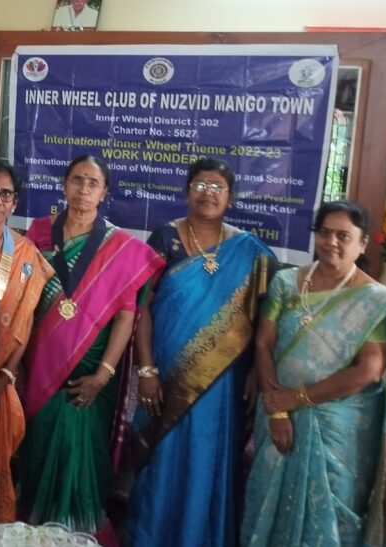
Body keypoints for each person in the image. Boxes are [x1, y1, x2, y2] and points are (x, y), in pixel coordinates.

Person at [242, 200, 386, 546]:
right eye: (324, 232)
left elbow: (369, 372)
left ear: (363, 244)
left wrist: (297, 398)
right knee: (268, 499)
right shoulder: (286, 282)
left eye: (343, 236)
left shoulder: (376, 302)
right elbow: (263, 343)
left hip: (340, 429)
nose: (331, 241)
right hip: (277, 413)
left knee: (334, 509)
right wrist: (277, 409)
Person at [128, 157, 275, 547]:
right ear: (187, 191)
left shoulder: (250, 252)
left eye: (218, 187)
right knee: (163, 456)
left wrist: (256, 372)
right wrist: (147, 370)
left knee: (209, 458)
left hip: (223, 381)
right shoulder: (165, 238)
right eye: (201, 185)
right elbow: (142, 308)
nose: (209, 193)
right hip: (165, 375)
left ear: (230, 198)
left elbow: (267, 319)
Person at [18, 155, 163, 542]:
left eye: (93, 183)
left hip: (94, 366)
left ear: (104, 193)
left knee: (83, 452)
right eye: (77, 180)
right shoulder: (40, 232)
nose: (84, 190)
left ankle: (80, 535)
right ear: (64, 186)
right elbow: (23, 296)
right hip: (40, 363)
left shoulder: (121, 248)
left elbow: (127, 317)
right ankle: (33, 532)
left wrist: (104, 374)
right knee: (39, 447)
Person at [0, 160, 54, 526]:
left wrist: (4, 376)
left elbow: (25, 320)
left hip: (0, 382)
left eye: (6, 194)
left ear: (15, 202)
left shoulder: (26, 254)